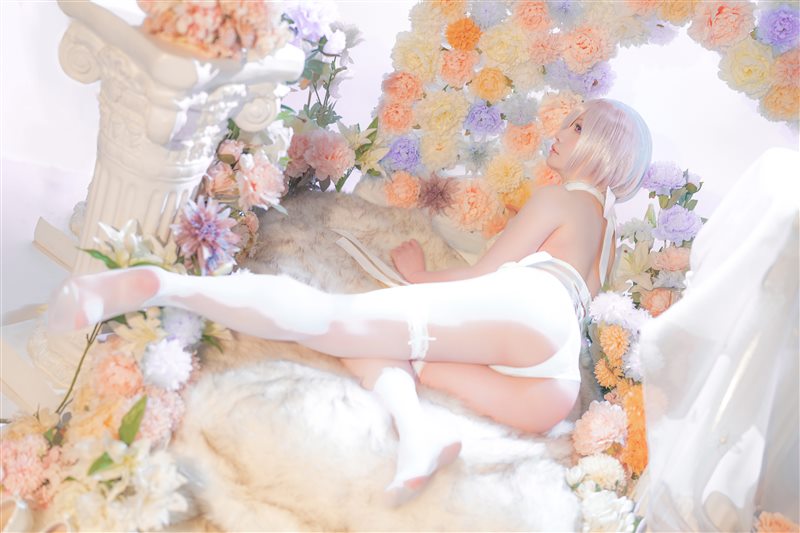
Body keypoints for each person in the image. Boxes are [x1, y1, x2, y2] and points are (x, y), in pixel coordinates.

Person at [47, 98, 652, 505]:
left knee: (336, 320)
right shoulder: (607, 231)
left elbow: (487, 276)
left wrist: (418, 276)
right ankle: (415, 436)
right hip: (548, 389)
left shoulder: (558, 199)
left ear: (603, 147)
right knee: (385, 347)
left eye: (577, 127)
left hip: (531, 312)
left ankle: (163, 285)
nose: (558, 133)